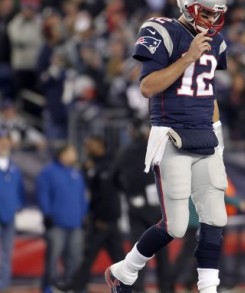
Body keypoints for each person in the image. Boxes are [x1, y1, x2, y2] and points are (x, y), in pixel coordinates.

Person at [105, 0, 230, 292]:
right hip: (171, 134)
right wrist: (187, 58)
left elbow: (207, 95)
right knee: (175, 226)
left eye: (217, 13)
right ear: (188, 6)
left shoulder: (217, 41)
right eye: (207, 12)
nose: (212, 19)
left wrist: (219, 139)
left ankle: (208, 288)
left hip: (205, 136)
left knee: (215, 217)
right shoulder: (162, 30)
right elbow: (148, 87)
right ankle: (126, 269)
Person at [53, 136, 125, 293]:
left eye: (89, 144)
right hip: (99, 218)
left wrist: (103, 218)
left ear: (99, 145)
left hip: (105, 220)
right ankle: (76, 285)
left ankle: (75, 285)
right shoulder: (91, 165)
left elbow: (108, 194)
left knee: (95, 256)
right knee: (100, 256)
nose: (86, 147)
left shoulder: (110, 164)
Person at [110, 120, 171, 293]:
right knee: (161, 255)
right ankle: (165, 289)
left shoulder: (126, 151)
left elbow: (113, 177)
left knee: (138, 253)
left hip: (138, 207)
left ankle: (137, 289)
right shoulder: (157, 149)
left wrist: (127, 191)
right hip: (157, 208)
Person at [36, 144, 88, 293]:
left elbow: (82, 197)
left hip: (75, 223)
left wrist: (83, 215)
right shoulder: (48, 172)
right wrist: (47, 214)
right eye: (71, 152)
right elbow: (43, 195)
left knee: (75, 258)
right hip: (56, 223)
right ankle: (49, 287)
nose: (75, 154)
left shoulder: (76, 173)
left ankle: (71, 286)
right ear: (62, 154)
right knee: (53, 258)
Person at [0, 130, 25, 292]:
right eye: (1, 141)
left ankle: (3, 285)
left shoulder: (14, 167)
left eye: (6, 141)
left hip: (9, 216)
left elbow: (19, 190)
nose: (4, 144)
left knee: (7, 252)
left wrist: (17, 205)